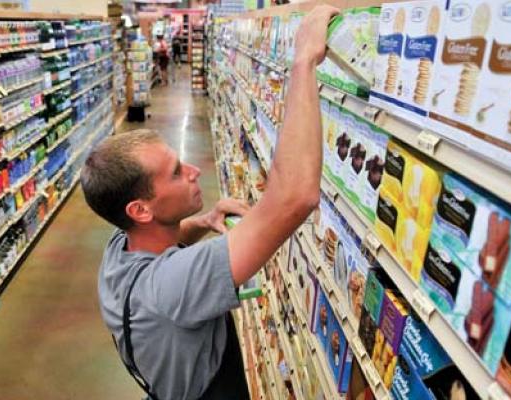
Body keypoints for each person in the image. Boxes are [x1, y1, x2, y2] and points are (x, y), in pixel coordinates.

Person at [80, 4, 338, 400]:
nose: (194, 171)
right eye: (175, 173)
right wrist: (303, 61)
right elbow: (294, 197)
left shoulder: (120, 249)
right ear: (140, 210)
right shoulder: (175, 283)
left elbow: (170, 237)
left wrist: (204, 220)